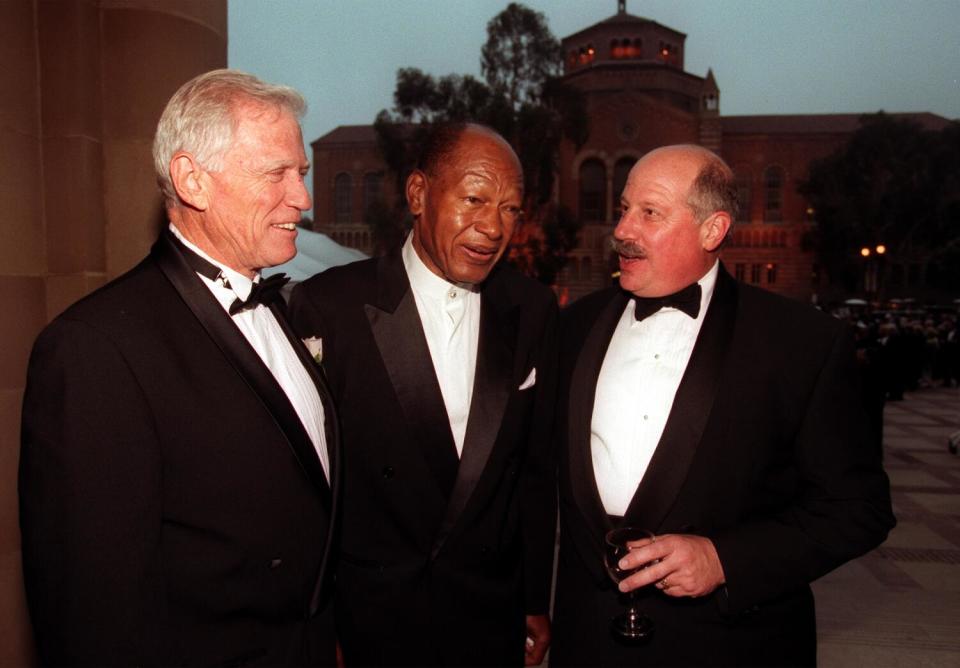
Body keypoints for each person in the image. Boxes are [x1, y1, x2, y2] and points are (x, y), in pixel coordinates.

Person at [19, 69, 339, 667]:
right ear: (193, 180)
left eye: (302, 173)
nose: (303, 198)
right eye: (277, 174)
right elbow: (92, 615)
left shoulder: (293, 308)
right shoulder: (95, 347)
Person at [550, 145, 894, 667]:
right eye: (623, 209)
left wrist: (724, 559)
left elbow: (858, 509)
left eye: (650, 213)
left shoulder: (802, 343)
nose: (622, 229)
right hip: (589, 642)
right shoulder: (573, 327)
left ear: (713, 231)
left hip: (731, 645)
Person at [289, 123, 557, 666]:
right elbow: (307, 486)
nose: (492, 227)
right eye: (475, 199)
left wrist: (533, 598)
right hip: (371, 620)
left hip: (488, 615)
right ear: (418, 194)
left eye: (509, 209)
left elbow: (531, 470)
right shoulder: (329, 307)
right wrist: (320, 621)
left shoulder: (532, 309)